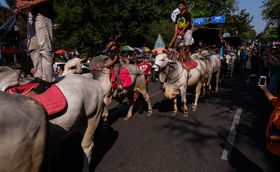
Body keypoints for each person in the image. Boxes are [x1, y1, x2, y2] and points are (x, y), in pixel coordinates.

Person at [16, 0, 54, 83]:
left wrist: (30, 3)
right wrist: (20, 8)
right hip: (31, 15)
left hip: (43, 13)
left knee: (45, 48)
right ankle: (39, 76)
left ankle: (46, 80)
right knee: (33, 48)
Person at [259, 81, 280, 156]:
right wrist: (265, 89)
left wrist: (271, 138)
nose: (275, 90)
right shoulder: (279, 102)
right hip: (271, 147)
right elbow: (272, 99)